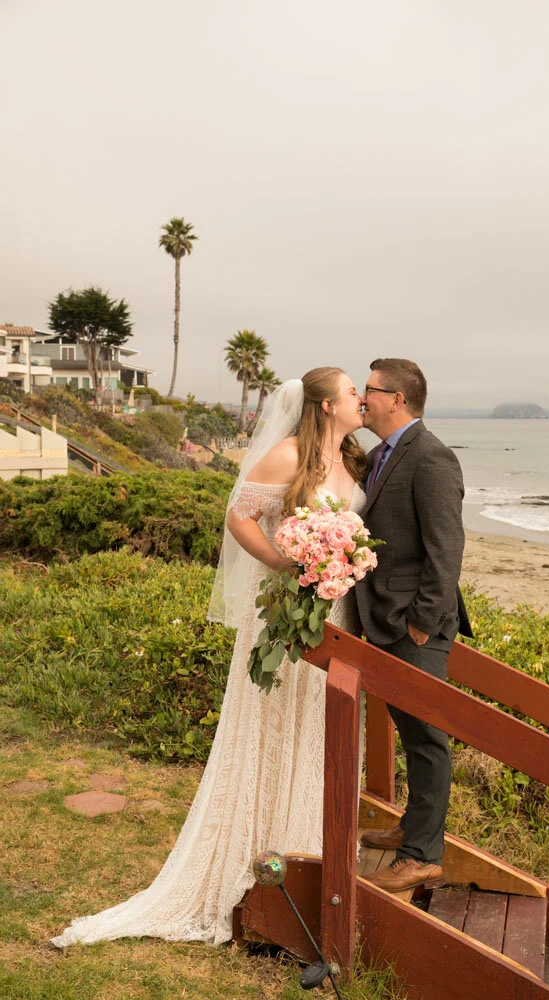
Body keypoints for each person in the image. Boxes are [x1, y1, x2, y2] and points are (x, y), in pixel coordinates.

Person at [51, 368, 367, 948]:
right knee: (271, 729)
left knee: (315, 730)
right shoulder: (288, 454)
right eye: (352, 393)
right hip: (286, 616)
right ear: (324, 405)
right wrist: (283, 562)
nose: (361, 400)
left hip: (335, 615)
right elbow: (238, 515)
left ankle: (310, 854)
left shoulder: (352, 458)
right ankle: (254, 860)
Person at [356, 358, 473, 893]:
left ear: (397, 399)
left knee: (427, 737)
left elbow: (446, 550)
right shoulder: (384, 453)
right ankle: (413, 827)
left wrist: (423, 624)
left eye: (371, 390)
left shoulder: (432, 457)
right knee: (410, 729)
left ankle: (423, 854)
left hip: (415, 623)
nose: (363, 398)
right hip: (388, 618)